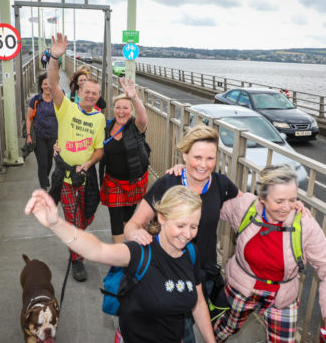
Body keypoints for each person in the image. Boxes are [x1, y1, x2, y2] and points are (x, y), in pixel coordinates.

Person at [25, 185, 216, 343]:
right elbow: (96, 250)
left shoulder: (191, 252)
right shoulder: (140, 251)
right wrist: (55, 223)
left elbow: (198, 302)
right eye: (181, 225)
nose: (188, 234)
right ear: (162, 218)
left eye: (194, 226)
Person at [124, 124, 241, 342]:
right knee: (182, 331)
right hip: (170, 271)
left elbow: (251, 207)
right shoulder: (168, 183)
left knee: (200, 318)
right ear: (184, 155)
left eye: (210, 158)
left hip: (203, 272)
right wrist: (135, 236)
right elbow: (132, 224)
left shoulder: (221, 184)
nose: (204, 165)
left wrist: (292, 208)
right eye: (197, 157)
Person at [214, 164, 326, 342]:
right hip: (242, 286)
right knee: (225, 329)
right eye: (279, 201)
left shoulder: (305, 224)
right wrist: (183, 176)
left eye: (292, 200)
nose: (287, 207)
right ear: (262, 198)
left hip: (282, 296)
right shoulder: (245, 207)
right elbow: (207, 206)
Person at [47, 33, 106, 282]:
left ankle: (76, 249)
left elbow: (99, 149)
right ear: (79, 90)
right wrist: (54, 57)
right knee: (72, 221)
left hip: (87, 176)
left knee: (86, 218)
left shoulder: (99, 118)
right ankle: (77, 260)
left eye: (95, 93)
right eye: (87, 91)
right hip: (67, 178)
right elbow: (52, 83)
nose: (91, 95)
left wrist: (90, 162)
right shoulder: (66, 107)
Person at [100, 77, 149, 243]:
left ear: (131, 110)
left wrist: (134, 97)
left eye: (126, 108)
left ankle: (127, 248)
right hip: (113, 181)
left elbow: (143, 117)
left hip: (134, 181)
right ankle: (119, 260)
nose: (121, 111)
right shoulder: (107, 127)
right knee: (115, 220)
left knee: (127, 218)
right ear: (113, 109)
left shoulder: (136, 127)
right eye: (118, 107)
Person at [25, 73, 58, 189]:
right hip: (39, 136)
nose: (47, 86)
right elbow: (29, 119)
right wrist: (28, 135)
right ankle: (43, 186)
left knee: (49, 162)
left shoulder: (57, 100)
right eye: (45, 84)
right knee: (42, 163)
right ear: (41, 86)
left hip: (54, 136)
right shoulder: (35, 100)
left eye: (50, 84)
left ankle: (45, 177)